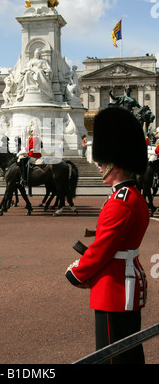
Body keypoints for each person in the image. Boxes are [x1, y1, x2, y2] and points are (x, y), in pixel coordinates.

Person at [65, 106, 149, 364]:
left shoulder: (120, 201)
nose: (99, 165)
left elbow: (103, 249)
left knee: (113, 358)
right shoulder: (131, 196)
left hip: (114, 286)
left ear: (113, 163)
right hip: (123, 281)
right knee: (128, 353)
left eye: (102, 161)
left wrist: (76, 272)